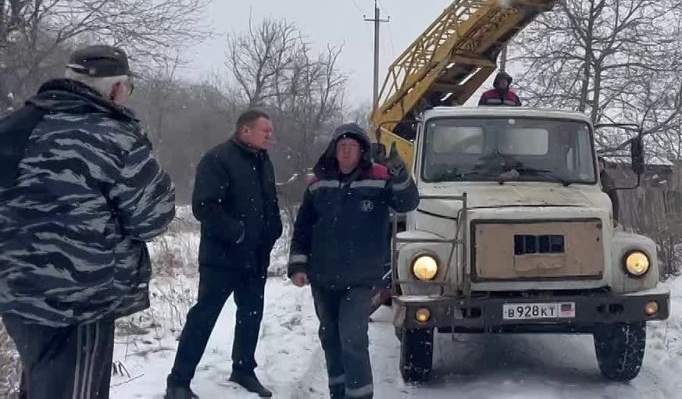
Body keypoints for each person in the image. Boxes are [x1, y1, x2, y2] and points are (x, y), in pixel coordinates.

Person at [0, 45, 176, 399]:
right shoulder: (114, 136)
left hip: (14, 289)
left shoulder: (14, 124)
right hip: (80, 296)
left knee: (41, 383)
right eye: (127, 87)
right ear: (114, 89)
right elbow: (153, 218)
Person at [288, 124, 419, 399]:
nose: (346, 151)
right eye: (341, 146)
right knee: (330, 336)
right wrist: (298, 266)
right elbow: (303, 227)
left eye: (352, 146)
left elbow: (408, 202)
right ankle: (338, 391)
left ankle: (359, 394)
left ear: (362, 151)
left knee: (352, 336)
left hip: (363, 278)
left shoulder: (380, 179)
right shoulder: (318, 184)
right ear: (334, 150)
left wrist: (399, 172)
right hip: (323, 277)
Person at [165, 110, 283, 399]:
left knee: (251, 315)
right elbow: (204, 206)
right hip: (222, 259)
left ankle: (243, 369)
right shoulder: (218, 159)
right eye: (264, 130)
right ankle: (178, 382)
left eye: (270, 130)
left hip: (255, 258)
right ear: (245, 131)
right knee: (203, 317)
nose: (270, 135)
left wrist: (274, 229)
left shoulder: (262, 161)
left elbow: (270, 202)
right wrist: (238, 232)